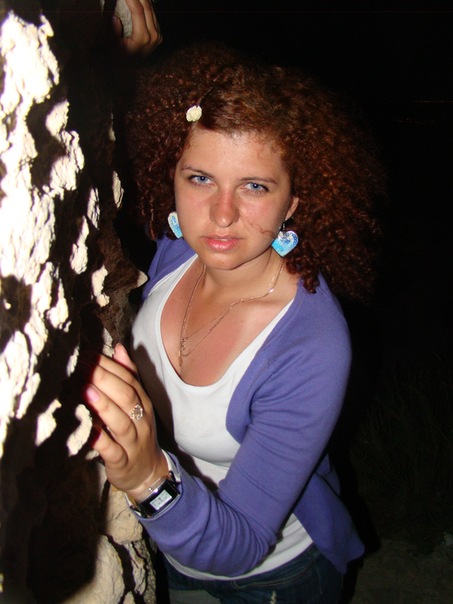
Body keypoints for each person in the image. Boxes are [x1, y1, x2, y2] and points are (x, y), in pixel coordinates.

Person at [82, 42, 385, 603]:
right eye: (200, 178)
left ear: (293, 201)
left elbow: (243, 543)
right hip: (167, 548)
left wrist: (148, 477)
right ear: (172, 174)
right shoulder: (178, 249)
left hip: (274, 577)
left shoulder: (311, 345)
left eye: (255, 186)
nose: (221, 215)